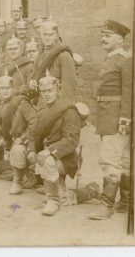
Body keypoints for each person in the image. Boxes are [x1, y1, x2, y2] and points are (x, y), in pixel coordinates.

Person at [89, 20, 133, 220]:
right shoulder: (111, 59)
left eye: (108, 35)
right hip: (109, 116)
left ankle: (107, 206)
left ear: (121, 39)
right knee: (122, 161)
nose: (103, 38)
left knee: (110, 161)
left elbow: (128, 92)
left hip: (116, 118)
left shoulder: (124, 60)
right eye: (102, 34)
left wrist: (124, 118)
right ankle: (125, 202)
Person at [31, 71, 81, 216]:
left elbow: (72, 139)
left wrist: (50, 150)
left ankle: (53, 201)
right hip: (49, 155)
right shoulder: (42, 111)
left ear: (58, 90)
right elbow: (34, 134)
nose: (46, 94)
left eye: (50, 91)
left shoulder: (69, 110)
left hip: (66, 157)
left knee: (46, 160)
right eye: (43, 91)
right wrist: (32, 150)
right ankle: (61, 192)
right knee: (40, 158)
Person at [32, 19, 77, 103]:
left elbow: (69, 87)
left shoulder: (64, 56)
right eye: (44, 34)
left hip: (58, 103)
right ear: (41, 35)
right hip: (42, 104)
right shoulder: (39, 57)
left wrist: (64, 106)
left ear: (56, 35)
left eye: (50, 35)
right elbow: (34, 78)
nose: (47, 38)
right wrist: (32, 83)